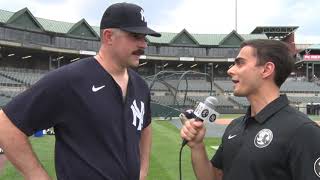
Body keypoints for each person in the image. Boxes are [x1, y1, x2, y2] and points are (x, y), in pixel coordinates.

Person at [0, 2, 160, 180]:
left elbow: (145, 126)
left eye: (145, 37)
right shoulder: (70, 79)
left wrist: (142, 171)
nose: (143, 44)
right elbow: (6, 124)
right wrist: (37, 176)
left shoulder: (140, 86)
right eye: (136, 36)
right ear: (108, 37)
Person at [180, 39, 320, 180]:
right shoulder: (235, 126)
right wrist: (197, 146)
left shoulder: (303, 131)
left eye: (240, 63)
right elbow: (214, 177)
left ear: (266, 70)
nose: (230, 70)